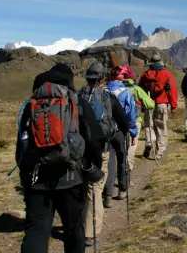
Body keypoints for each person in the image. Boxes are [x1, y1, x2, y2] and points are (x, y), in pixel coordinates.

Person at [16, 63, 105, 253]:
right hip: (70, 177)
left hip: (37, 177)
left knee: (36, 230)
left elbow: (21, 144)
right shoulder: (77, 101)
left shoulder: (31, 104)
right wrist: (93, 166)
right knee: (73, 228)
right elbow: (94, 139)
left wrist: (25, 175)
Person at [78, 63, 130, 244]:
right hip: (101, 149)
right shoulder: (108, 97)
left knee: (82, 187)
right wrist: (125, 132)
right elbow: (123, 120)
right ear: (102, 79)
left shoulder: (77, 96)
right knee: (95, 188)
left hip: (79, 150)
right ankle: (90, 232)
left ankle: (79, 223)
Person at [103, 66, 138, 204]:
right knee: (122, 159)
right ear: (122, 77)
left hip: (106, 131)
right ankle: (123, 189)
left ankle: (108, 195)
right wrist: (133, 132)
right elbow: (131, 114)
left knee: (109, 162)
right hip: (120, 131)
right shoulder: (126, 92)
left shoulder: (104, 91)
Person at [138, 54, 179, 161]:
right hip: (162, 103)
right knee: (161, 126)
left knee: (149, 125)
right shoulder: (166, 74)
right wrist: (173, 105)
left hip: (149, 103)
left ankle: (149, 142)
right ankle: (160, 151)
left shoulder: (145, 74)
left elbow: (140, 91)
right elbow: (172, 91)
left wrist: (141, 104)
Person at [120, 66, 155, 171]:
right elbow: (150, 105)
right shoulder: (137, 89)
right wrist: (150, 101)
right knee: (132, 144)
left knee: (121, 143)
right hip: (135, 120)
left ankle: (120, 166)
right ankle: (128, 167)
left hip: (119, 121)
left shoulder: (118, 88)